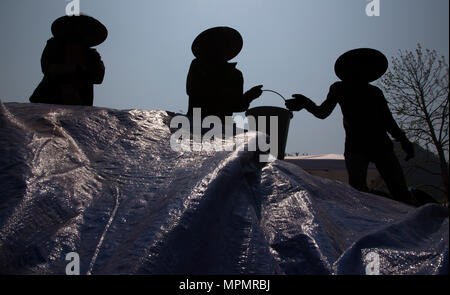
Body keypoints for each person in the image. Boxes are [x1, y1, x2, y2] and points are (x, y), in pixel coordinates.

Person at [285, 48, 415, 204]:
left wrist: (404, 140)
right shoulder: (340, 88)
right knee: (359, 192)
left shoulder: (374, 92)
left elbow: (388, 121)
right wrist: (305, 103)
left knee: (397, 190)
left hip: (379, 144)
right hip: (357, 146)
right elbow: (322, 112)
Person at [186, 26, 263, 121]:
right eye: (215, 44)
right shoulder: (198, 64)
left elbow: (237, 106)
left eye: (222, 44)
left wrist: (249, 95)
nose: (218, 47)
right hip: (195, 122)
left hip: (222, 128)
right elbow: (193, 90)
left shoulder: (236, 74)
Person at [30, 15, 107, 106]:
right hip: (48, 100)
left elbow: (99, 75)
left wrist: (76, 70)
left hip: (79, 104)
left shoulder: (91, 55)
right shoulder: (54, 45)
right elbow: (46, 67)